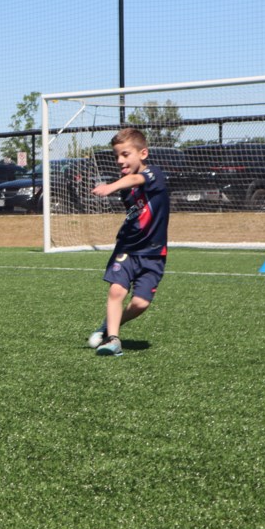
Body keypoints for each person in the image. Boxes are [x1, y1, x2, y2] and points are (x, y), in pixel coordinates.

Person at [86, 127, 171, 357]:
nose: (119, 160)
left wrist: (111, 186)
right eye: (116, 156)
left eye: (125, 154)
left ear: (143, 153)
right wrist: (118, 185)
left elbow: (138, 178)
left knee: (140, 304)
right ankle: (113, 341)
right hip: (127, 248)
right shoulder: (126, 187)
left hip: (153, 252)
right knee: (116, 292)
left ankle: (107, 327)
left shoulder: (155, 175)